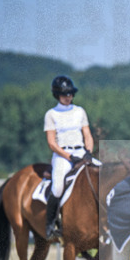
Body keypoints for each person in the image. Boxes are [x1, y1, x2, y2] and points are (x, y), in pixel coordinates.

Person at [44, 75, 94, 240]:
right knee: (58, 186)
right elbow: (52, 143)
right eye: (65, 94)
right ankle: (50, 224)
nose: (68, 97)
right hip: (62, 155)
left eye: (70, 93)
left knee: (102, 175)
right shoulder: (51, 114)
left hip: (81, 152)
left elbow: (87, 134)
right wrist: (69, 157)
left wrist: (89, 151)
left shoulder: (80, 111)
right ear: (57, 95)